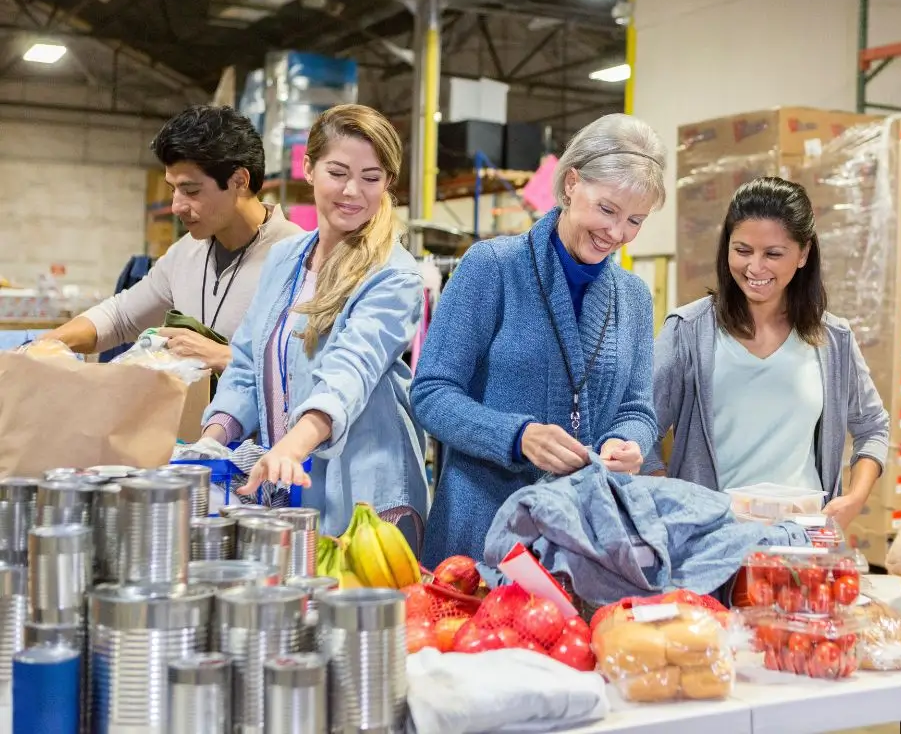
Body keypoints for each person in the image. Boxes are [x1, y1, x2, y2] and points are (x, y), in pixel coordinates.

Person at [412, 113, 666, 567]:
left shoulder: (633, 297)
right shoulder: (492, 267)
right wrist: (517, 436)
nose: (617, 233)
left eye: (635, 221)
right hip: (481, 533)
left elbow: (637, 408)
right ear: (571, 183)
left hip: (584, 542)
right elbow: (431, 393)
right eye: (607, 209)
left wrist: (628, 442)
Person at [198, 104, 427, 536]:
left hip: (365, 499)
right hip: (289, 482)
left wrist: (292, 446)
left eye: (371, 177)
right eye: (338, 173)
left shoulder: (394, 275)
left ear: (388, 184)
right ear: (308, 167)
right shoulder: (286, 258)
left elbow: (349, 374)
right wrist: (214, 439)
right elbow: (247, 361)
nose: (353, 191)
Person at [648, 176, 889, 531]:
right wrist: (666, 495)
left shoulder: (833, 339)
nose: (755, 267)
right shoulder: (687, 330)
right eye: (742, 250)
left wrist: (854, 499)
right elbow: (638, 425)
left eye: (773, 254)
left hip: (800, 539)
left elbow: (873, 427)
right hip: (708, 540)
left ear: (804, 253)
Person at [43, 105, 301, 370]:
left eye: (191, 190)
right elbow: (120, 317)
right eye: (173, 189)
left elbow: (310, 369)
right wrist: (42, 346)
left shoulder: (301, 261)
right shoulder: (185, 253)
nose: (177, 206)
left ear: (239, 181)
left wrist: (225, 358)